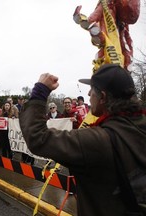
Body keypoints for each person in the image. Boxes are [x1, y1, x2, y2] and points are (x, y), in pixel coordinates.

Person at [19, 64, 146, 216]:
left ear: (103, 97)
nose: (88, 93)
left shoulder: (98, 141)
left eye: (92, 89)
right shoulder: (138, 126)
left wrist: (40, 91)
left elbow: (37, 137)